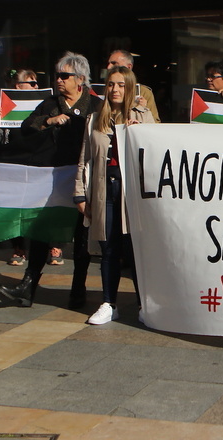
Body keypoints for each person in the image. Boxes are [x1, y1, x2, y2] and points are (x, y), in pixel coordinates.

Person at [0, 52, 102, 309]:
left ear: (80, 79)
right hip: (53, 179)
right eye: (57, 75)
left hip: (82, 180)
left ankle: (78, 289)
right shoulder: (50, 103)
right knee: (42, 230)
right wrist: (48, 121)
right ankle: (27, 286)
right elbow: (25, 127)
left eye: (64, 76)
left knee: (81, 237)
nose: (58, 80)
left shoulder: (96, 105)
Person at [75, 66, 154, 325]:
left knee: (136, 248)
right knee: (108, 248)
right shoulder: (95, 118)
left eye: (120, 85)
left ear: (129, 87)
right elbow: (84, 159)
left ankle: (145, 304)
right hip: (104, 190)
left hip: (131, 191)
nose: (115, 90)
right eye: (110, 85)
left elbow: (156, 152)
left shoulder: (143, 116)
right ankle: (109, 302)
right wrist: (79, 195)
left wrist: (139, 131)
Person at [0, 68, 40, 266]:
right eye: (32, 83)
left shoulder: (44, 105)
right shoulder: (6, 107)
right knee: (16, 208)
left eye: (37, 84)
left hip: (36, 162)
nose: (36, 87)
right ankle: (19, 247)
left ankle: (51, 245)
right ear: (19, 87)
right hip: (14, 163)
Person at [106, 49, 160, 122]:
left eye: (114, 63)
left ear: (128, 67)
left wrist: (142, 110)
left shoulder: (144, 92)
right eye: (111, 84)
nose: (109, 67)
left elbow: (154, 124)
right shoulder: (103, 90)